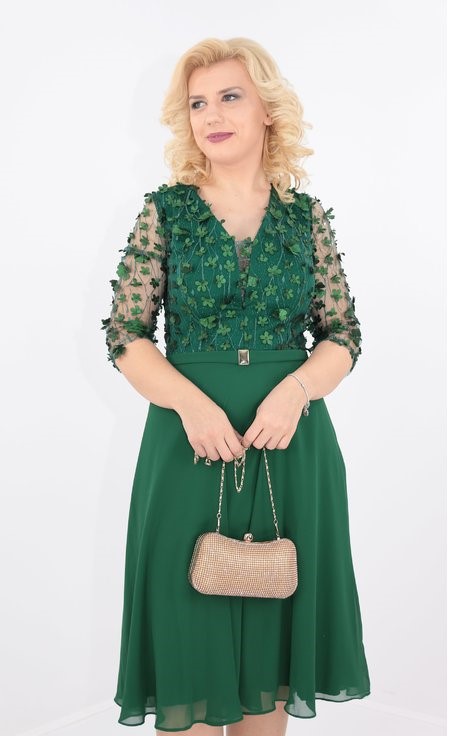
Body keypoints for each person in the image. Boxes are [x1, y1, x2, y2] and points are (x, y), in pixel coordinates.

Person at [101, 36, 371, 736]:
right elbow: (126, 335)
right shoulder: (166, 213)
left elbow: (343, 334)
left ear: (267, 110)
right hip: (187, 446)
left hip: (291, 447)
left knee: (271, 659)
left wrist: (297, 391)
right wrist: (190, 403)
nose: (211, 115)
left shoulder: (306, 219)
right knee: (186, 657)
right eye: (197, 103)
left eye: (229, 97)